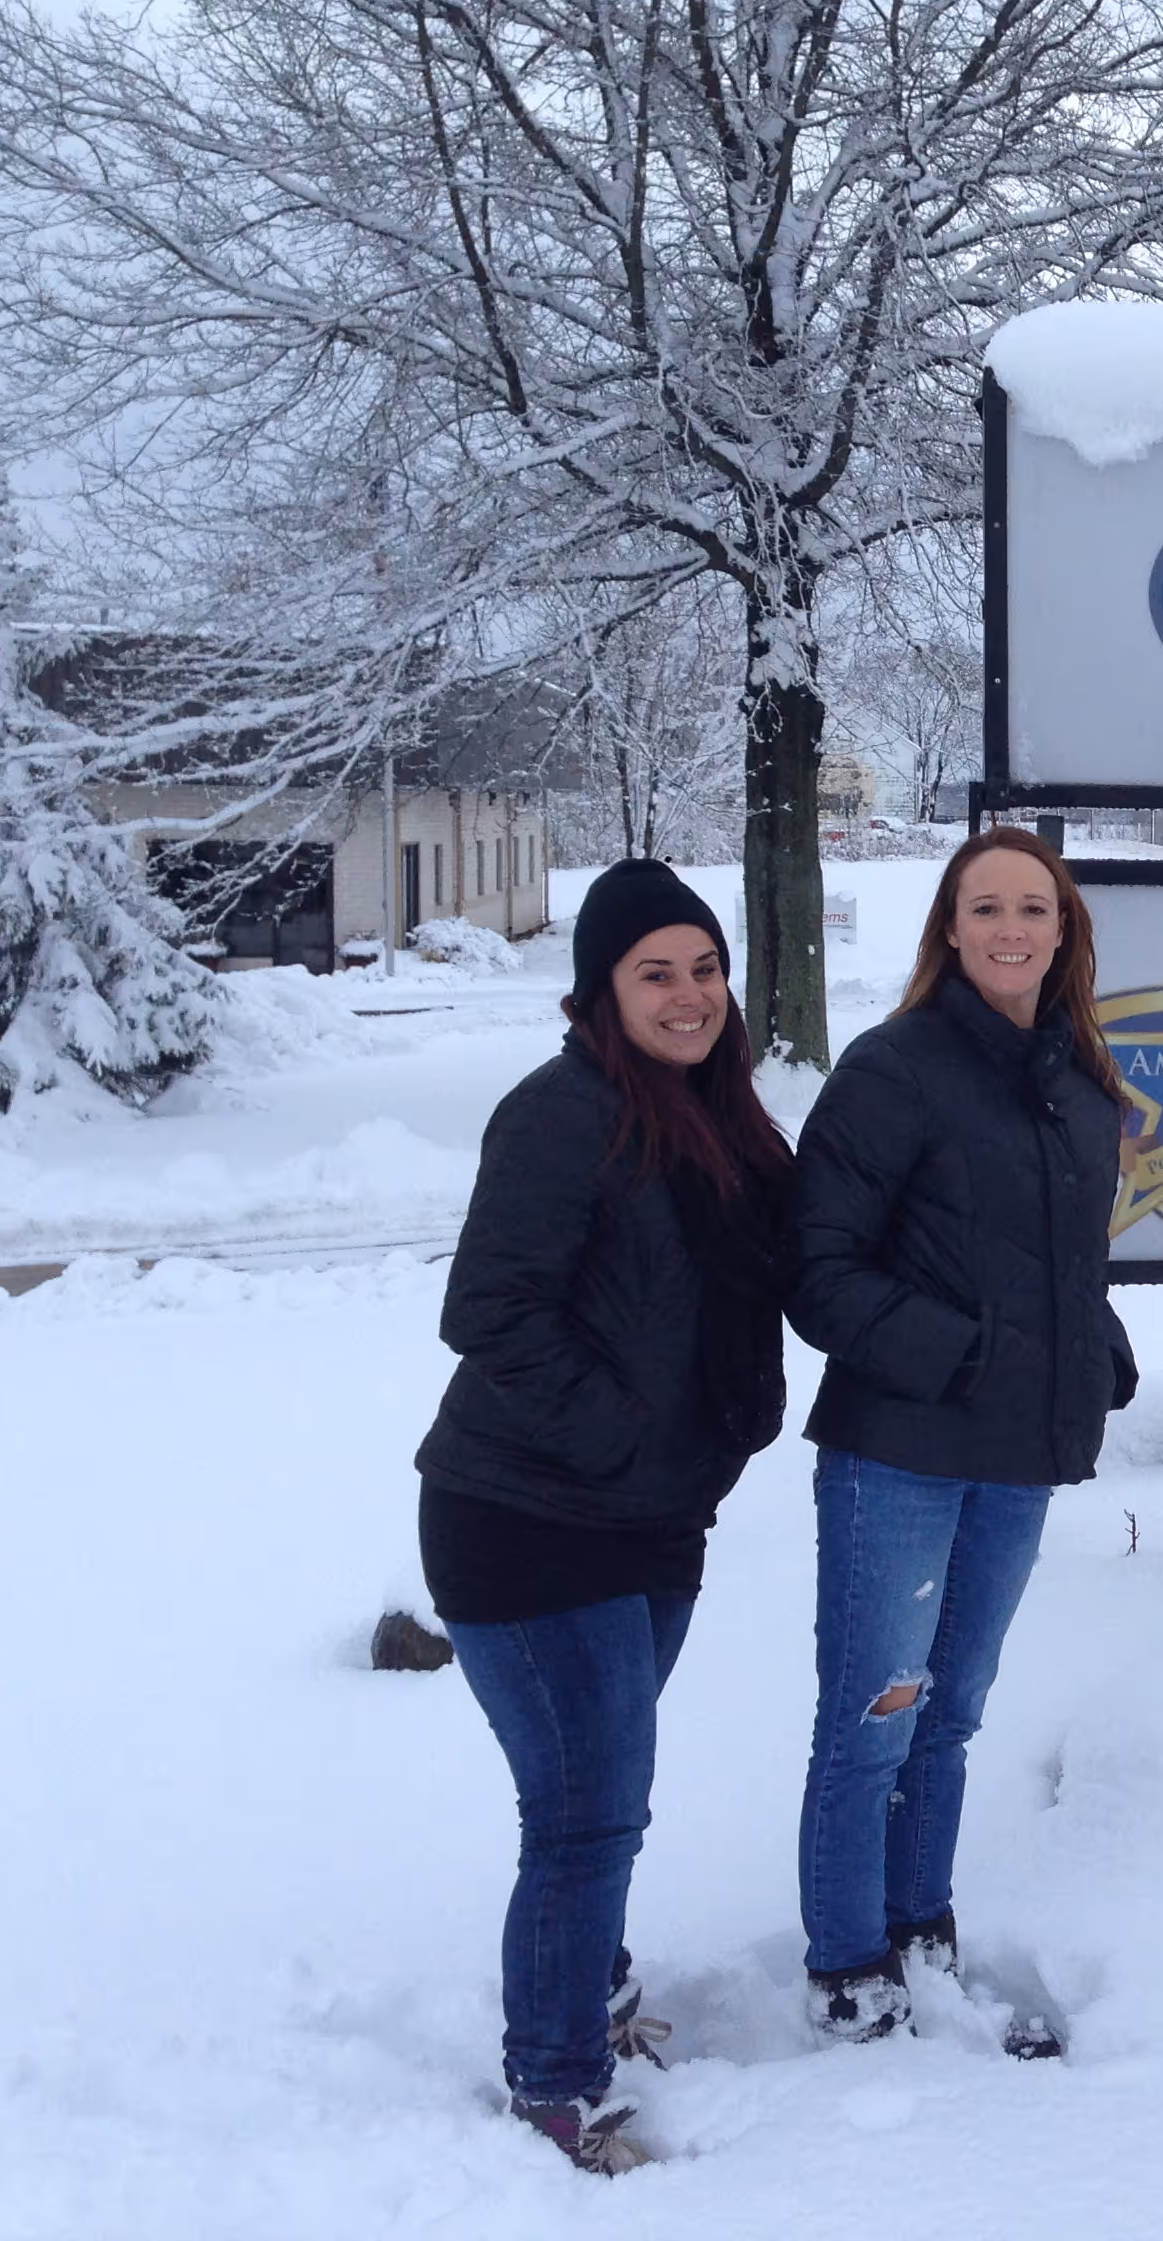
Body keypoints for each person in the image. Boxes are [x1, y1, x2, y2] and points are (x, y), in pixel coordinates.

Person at [415, 860, 796, 2176]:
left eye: (704, 967)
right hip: (527, 1518)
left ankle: (597, 1998)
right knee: (585, 1817)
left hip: (651, 1519)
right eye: (656, 973)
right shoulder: (561, 1115)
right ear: (600, 992)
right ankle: (556, 2087)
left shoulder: (720, 1112)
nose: (690, 996)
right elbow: (489, 1313)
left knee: (598, 1799)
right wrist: (627, 1442)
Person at [787, 826, 1139, 2042]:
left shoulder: (1080, 1082)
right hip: (901, 1453)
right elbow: (817, 1269)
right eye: (984, 907)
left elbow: (1055, 1261)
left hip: (1015, 1462)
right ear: (948, 925)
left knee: (952, 1714)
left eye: (1032, 908)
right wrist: (971, 1354)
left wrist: (1095, 1343)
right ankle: (847, 1966)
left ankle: (919, 1929)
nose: (1009, 928)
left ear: (1063, 929)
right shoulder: (896, 1069)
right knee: (876, 1713)